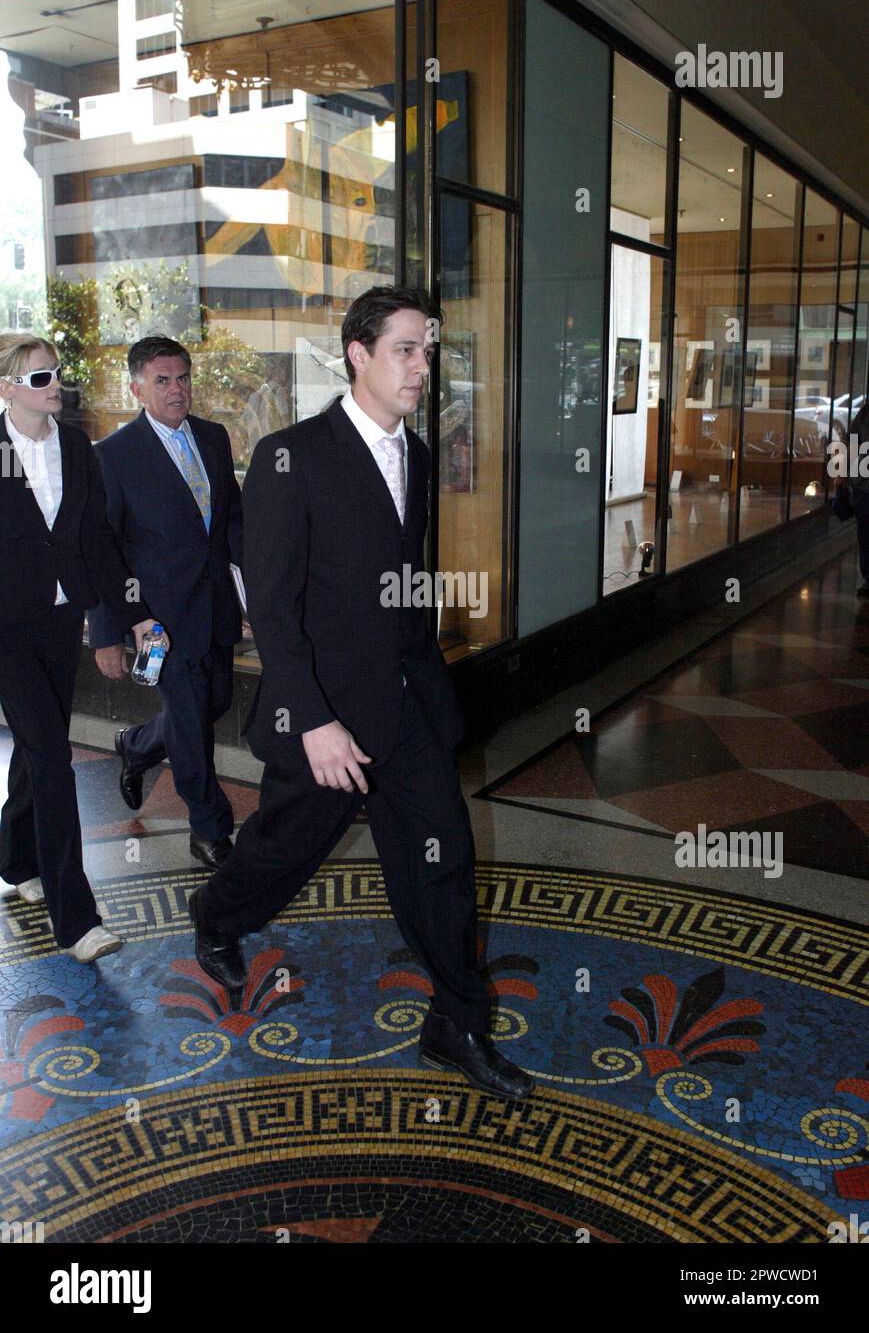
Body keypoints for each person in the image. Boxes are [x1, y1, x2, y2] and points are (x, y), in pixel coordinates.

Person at [190, 286, 533, 1100]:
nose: (421, 366)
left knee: (442, 857)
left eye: (426, 349)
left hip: (407, 706)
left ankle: (455, 1021)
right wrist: (312, 722)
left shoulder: (415, 454)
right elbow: (270, 606)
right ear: (358, 354)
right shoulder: (290, 456)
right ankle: (217, 915)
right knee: (283, 847)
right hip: (325, 717)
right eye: (405, 350)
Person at [0, 332, 163, 961]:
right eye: (40, 379)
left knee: (37, 750)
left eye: (56, 375)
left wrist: (128, 618)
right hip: (7, 628)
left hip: (60, 622)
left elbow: (96, 539)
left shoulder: (73, 445)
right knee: (51, 755)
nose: (56, 387)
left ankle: (16, 859)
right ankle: (77, 919)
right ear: (8, 388)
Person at [88, 336, 244, 869]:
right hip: (154, 619)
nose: (176, 390)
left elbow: (232, 524)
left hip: (216, 605)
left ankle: (136, 746)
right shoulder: (112, 456)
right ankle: (208, 830)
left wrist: (255, 592)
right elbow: (101, 549)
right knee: (190, 723)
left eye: (182, 378)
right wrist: (110, 630)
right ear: (136, 388)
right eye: (162, 381)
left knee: (212, 706)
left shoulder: (215, 437)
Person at [846, 397, 869, 597]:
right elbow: (852, 443)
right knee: (865, 533)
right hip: (864, 485)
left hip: (863, 483)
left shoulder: (865, 413)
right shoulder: (865, 413)